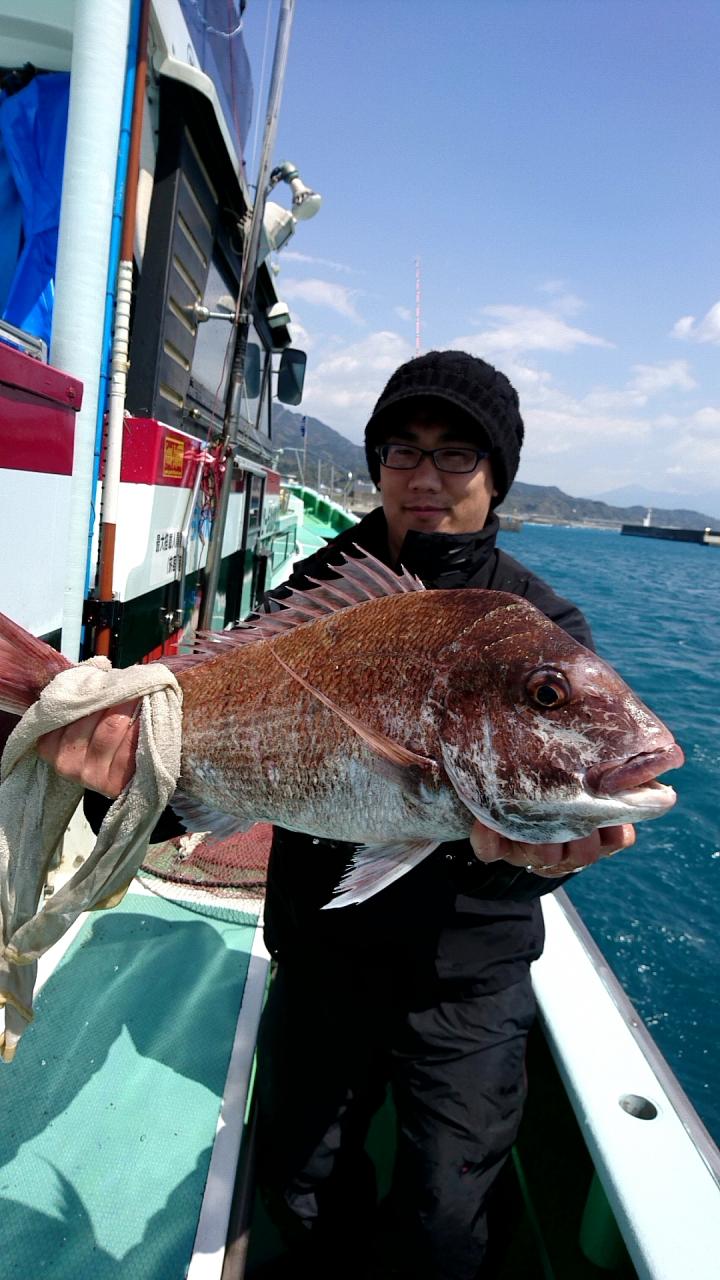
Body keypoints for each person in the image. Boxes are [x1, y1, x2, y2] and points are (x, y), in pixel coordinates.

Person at [38, 351, 634, 1279]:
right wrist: (122, 772)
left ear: (497, 474)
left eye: (457, 454)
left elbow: (570, 781)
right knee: (303, 1186)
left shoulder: (537, 629)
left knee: (445, 1222)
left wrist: (555, 848)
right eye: (404, 449)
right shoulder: (316, 594)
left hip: (465, 981)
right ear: (378, 462)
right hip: (320, 959)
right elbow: (206, 733)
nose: (426, 476)